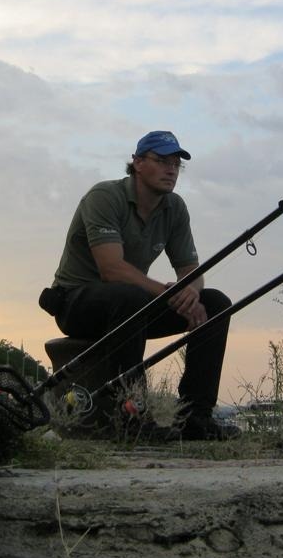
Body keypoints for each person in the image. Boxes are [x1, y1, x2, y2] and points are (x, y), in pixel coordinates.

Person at [40, 131, 238, 440]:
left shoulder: (175, 208)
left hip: (133, 305)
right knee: (130, 296)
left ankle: (195, 416)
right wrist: (169, 293)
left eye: (176, 164)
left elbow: (192, 270)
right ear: (138, 163)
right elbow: (112, 269)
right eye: (161, 161)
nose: (171, 170)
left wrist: (191, 291)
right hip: (76, 303)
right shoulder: (104, 197)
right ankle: (132, 415)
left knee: (215, 303)